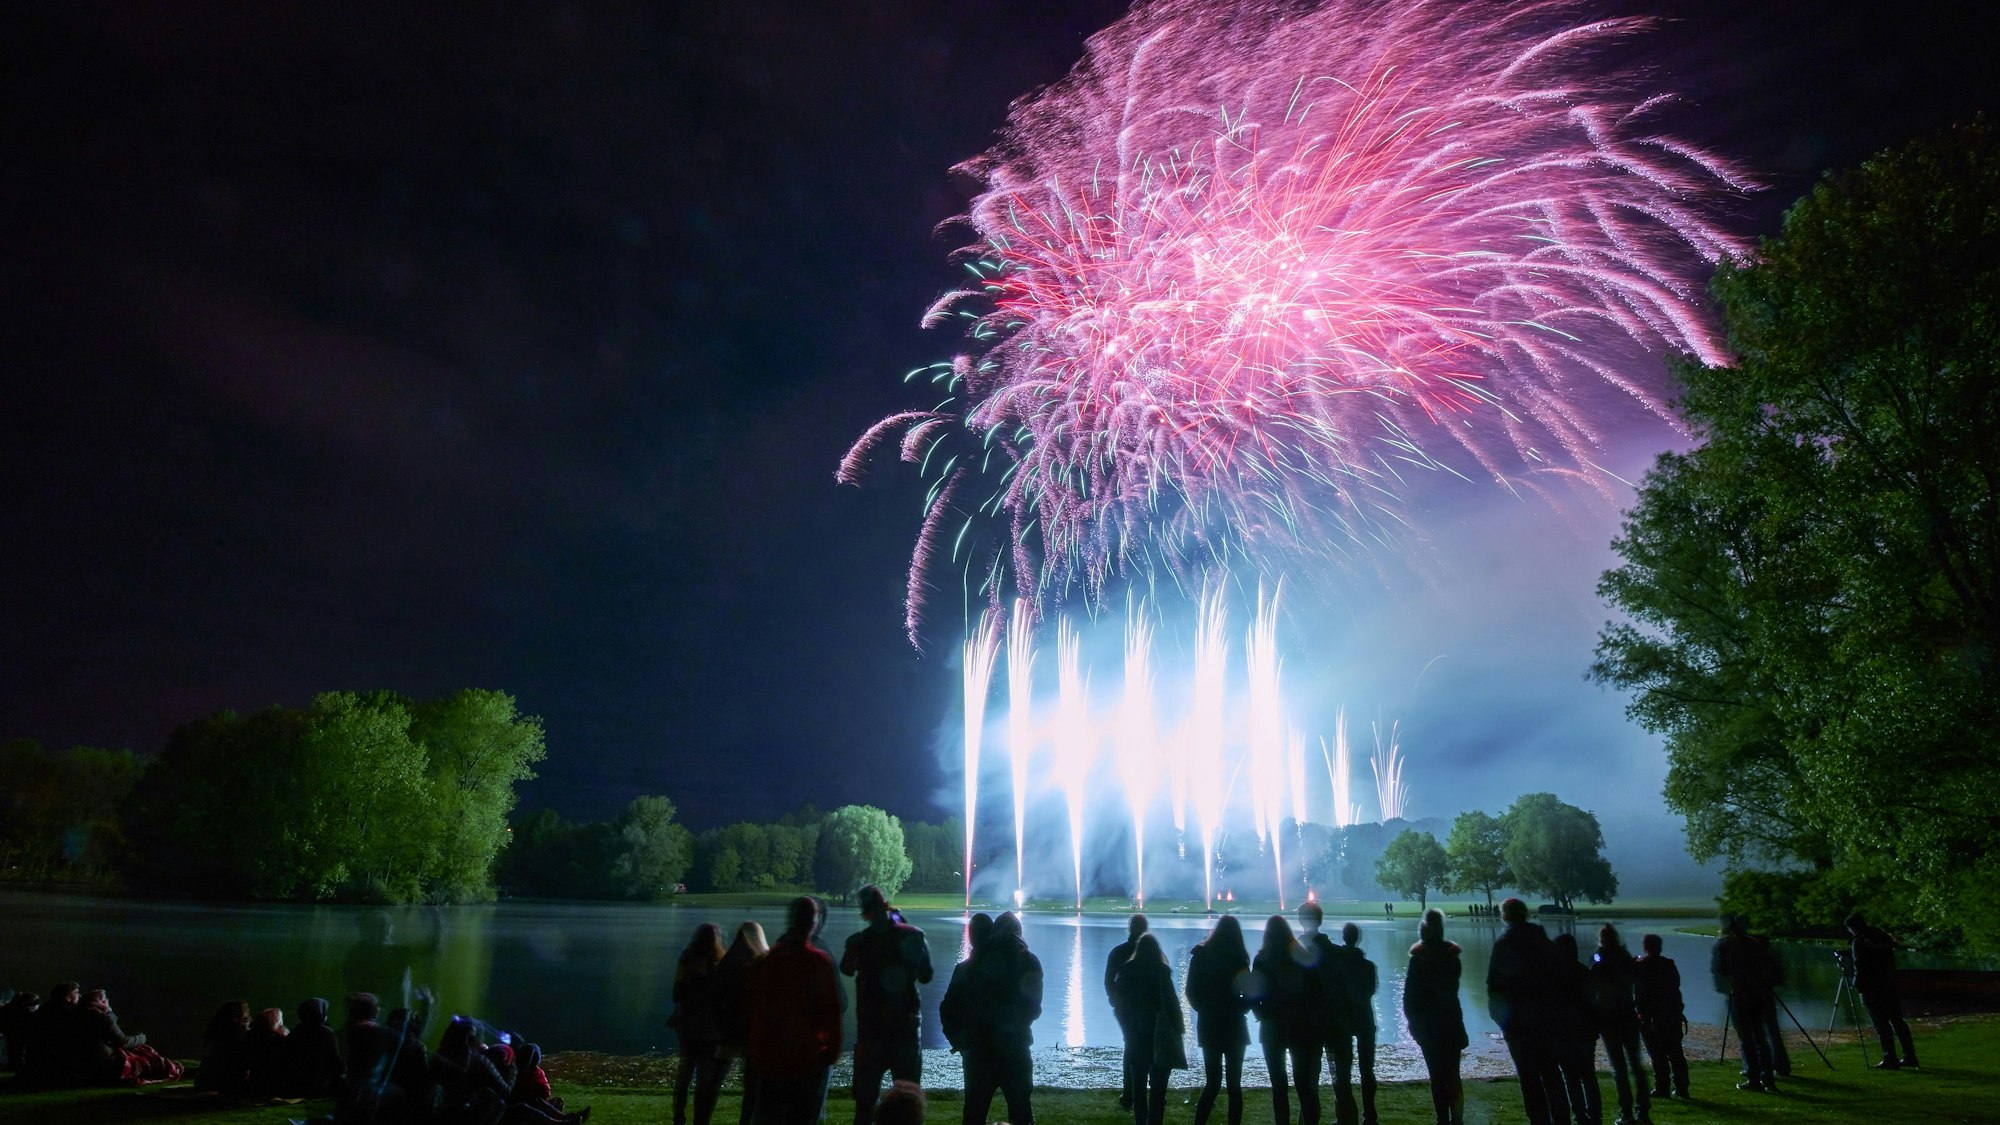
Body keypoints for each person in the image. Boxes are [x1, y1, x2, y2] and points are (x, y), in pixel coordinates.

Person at [841, 885, 934, 1125]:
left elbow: (846, 968)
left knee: (865, 1104)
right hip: (905, 1029)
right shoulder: (913, 935)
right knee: (908, 1101)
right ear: (886, 905)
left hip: (871, 1030)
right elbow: (926, 975)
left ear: (864, 914)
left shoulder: (860, 942)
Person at [942, 911, 1041, 1125]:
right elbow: (1034, 1009)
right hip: (1016, 1049)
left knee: (974, 1113)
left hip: (978, 1051)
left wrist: (959, 1040)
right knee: (1021, 1112)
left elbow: (948, 1008)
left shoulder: (970, 966)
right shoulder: (1029, 962)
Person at [750, 896, 843, 1125]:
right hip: (808, 1057)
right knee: (802, 1116)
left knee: (770, 1115)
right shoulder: (819, 962)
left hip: (772, 1055)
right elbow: (834, 1010)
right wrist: (831, 1050)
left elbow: (752, 1008)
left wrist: (755, 1048)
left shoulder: (767, 960)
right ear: (814, 923)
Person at [1487, 898, 1570, 1125]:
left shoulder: (1505, 943)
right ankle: (1562, 1119)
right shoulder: (1541, 940)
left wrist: (1502, 1020)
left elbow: (1495, 986)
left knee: (1528, 1076)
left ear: (1505, 915)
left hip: (1519, 1023)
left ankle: (1539, 1120)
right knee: (1551, 1073)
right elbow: (1559, 976)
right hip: (1545, 1019)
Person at [1250, 914, 1319, 1125]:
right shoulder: (1300, 956)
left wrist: (1260, 1013)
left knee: (1278, 1085)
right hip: (1300, 1024)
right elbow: (1313, 991)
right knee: (1303, 1083)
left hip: (1271, 1025)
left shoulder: (1262, 959)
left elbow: (1254, 992)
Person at [1186, 914, 1250, 1125]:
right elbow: (1249, 993)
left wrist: (1204, 1010)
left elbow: (1190, 991)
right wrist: (1241, 1008)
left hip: (1209, 1024)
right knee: (1234, 1085)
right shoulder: (1239, 959)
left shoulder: (1200, 955)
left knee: (1212, 1082)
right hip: (1234, 1024)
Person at [1404, 909, 1467, 1125]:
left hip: (1428, 1027)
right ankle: (1457, 1119)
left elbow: (1410, 997)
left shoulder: (1419, 960)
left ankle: (1442, 1119)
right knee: (1453, 1075)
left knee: (1437, 1076)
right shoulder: (1452, 958)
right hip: (1451, 1022)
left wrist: (1413, 1024)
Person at [1114, 932, 1184, 1125]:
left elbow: (1120, 1006)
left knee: (1138, 1085)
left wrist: (1126, 1027)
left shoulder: (1126, 973)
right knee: (1158, 1089)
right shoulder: (1162, 973)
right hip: (1159, 1035)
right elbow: (1172, 1003)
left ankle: (1140, 1121)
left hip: (1136, 1035)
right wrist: (1178, 1028)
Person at [1711, 915, 1781, 1093]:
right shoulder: (1755, 944)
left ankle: (1753, 1078)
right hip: (1759, 993)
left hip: (1741, 995)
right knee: (1760, 1037)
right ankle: (1768, 1078)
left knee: (1747, 1039)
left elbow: (1721, 969)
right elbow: (1771, 966)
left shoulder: (1727, 946)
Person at [1590, 926, 1651, 1125]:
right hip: (1628, 1016)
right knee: (1636, 1065)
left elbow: (1592, 989)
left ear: (1601, 940)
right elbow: (1639, 986)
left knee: (1619, 1067)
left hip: (1609, 1019)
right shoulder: (1627, 960)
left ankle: (1626, 1113)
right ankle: (1643, 1111)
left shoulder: (1599, 962)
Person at [671, 922, 730, 1125]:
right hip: (710, 1029)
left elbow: (677, 992)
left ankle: (679, 1117)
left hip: (688, 1025)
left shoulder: (688, 958)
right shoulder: (720, 963)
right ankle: (699, 1119)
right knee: (704, 1079)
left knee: (685, 1074)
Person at [1846, 913, 1919, 1069]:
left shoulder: (1859, 942)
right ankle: (1910, 1056)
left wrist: (1856, 984)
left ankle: (1889, 1057)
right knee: (1897, 1021)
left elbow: (1860, 966)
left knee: (1881, 1024)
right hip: (1890, 984)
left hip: (1872, 987)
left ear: (1852, 928)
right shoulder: (1882, 937)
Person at [717, 921, 769, 1125]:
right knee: (752, 1085)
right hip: (752, 1032)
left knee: (715, 1080)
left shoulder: (727, 963)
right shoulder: (760, 964)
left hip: (728, 1030)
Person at [1548, 933, 1602, 1125]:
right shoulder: (1584, 972)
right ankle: (1595, 1115)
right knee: (1588, 1075)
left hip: (1564, 1033)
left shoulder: (1555, 977)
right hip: (1586, 1031)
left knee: (1571, 1077)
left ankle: (1580, 1115)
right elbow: (1593, 1001)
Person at [78, 988, 181, 1085]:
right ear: (98, 1002)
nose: (107, 1001)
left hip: (87, 1063)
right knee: (147, 1056)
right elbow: (123, 1041)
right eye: (104, 999)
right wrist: (141, 1038)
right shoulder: (101, 1018)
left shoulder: (80, 1016)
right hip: (107, 1062)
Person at [1331, 924, 1378, 1125]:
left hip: (1345, 1020)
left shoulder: (1339, 965)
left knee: (1344, 1071)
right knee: (1367, 1070)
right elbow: (1371, 991)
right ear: (1357, 938)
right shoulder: (1368, 966)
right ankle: (1370, 1115)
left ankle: (1346, 1115)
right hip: (1365, 1019)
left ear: (1344, 937)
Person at [1632, 936, 1687, 1099]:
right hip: (1671, 1014)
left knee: (1657, 1054)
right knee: (1676, 1052)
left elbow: (1639, 992)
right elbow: (1676, 986)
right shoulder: (1669, 964)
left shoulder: (1641, 967)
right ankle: (1682, 1087)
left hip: (1651, 1017)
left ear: (1645, 947)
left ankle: (1662, 1087)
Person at [1106, 914, 1150, 1110]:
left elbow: (1108, 980)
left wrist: (1114, 1000)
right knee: (1145, 1045)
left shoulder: (1118, 952)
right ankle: (1145, 1089)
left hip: (1124, 1008)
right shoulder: (1152, 953)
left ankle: (1129, 1091)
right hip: (1145, 1008)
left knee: (1130, 1045)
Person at [280, 997, 344, 1098]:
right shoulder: (327, 1033)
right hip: (321, 1087)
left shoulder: (295, 1033)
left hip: (295, 1086)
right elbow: (335, 1061)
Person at [244, 1007, 289, 1097]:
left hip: (255, 1082)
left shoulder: (250, 1036)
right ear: (275, 1020)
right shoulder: (279, 1038)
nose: (282, 1021)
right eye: (280, 1018)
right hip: (275, 1083)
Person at [0, 990, 39, 1074]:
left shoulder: (10, 1009)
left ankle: (15, 1066)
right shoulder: (25, 1013)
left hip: (11, 1033)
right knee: (19, 1051)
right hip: (18, 1034)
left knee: (14, 1050)